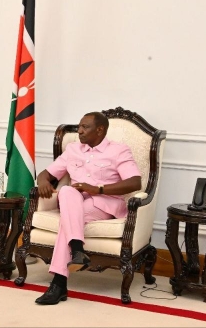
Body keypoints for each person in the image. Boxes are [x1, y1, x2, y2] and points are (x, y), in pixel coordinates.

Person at [34, 112, 142, 305]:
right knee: (66, 191)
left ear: (100, 130)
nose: (79, 131)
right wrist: (42, 181)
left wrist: (97, 189)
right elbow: (47, 173)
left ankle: (59, 284)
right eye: (79, 126)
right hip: (74, 200)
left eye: (85, 127)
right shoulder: (73, 149)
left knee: (66, 223)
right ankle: (77, 250)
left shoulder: (119, 151)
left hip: (103, 202)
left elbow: (135, 182)